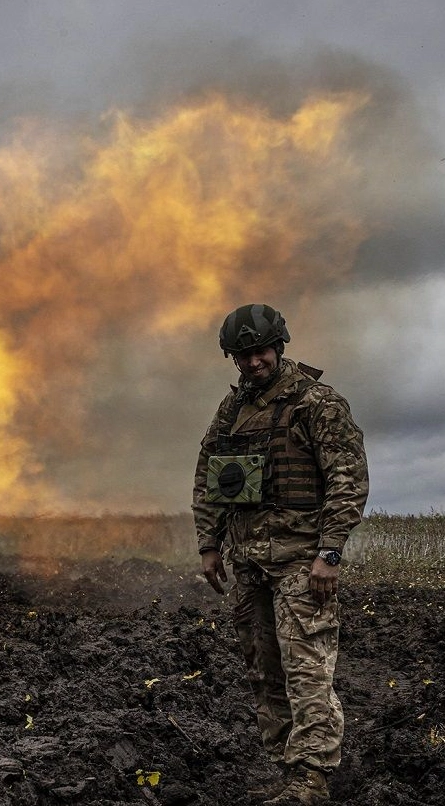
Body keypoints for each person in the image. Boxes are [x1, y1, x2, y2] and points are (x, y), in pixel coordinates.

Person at [193, 304, 368, 805]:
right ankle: (287, 771)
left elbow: (347, 480)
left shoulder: (316, 403)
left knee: (307, 671)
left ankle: (312, 779)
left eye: (261, 351)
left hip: (301, 564)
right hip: (249, 565)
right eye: (243, 355)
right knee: (265, 673)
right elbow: (209, 478)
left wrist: (329, 553)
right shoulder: (231, 412)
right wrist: (210, 544)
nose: (254, 362)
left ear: (279, 346)